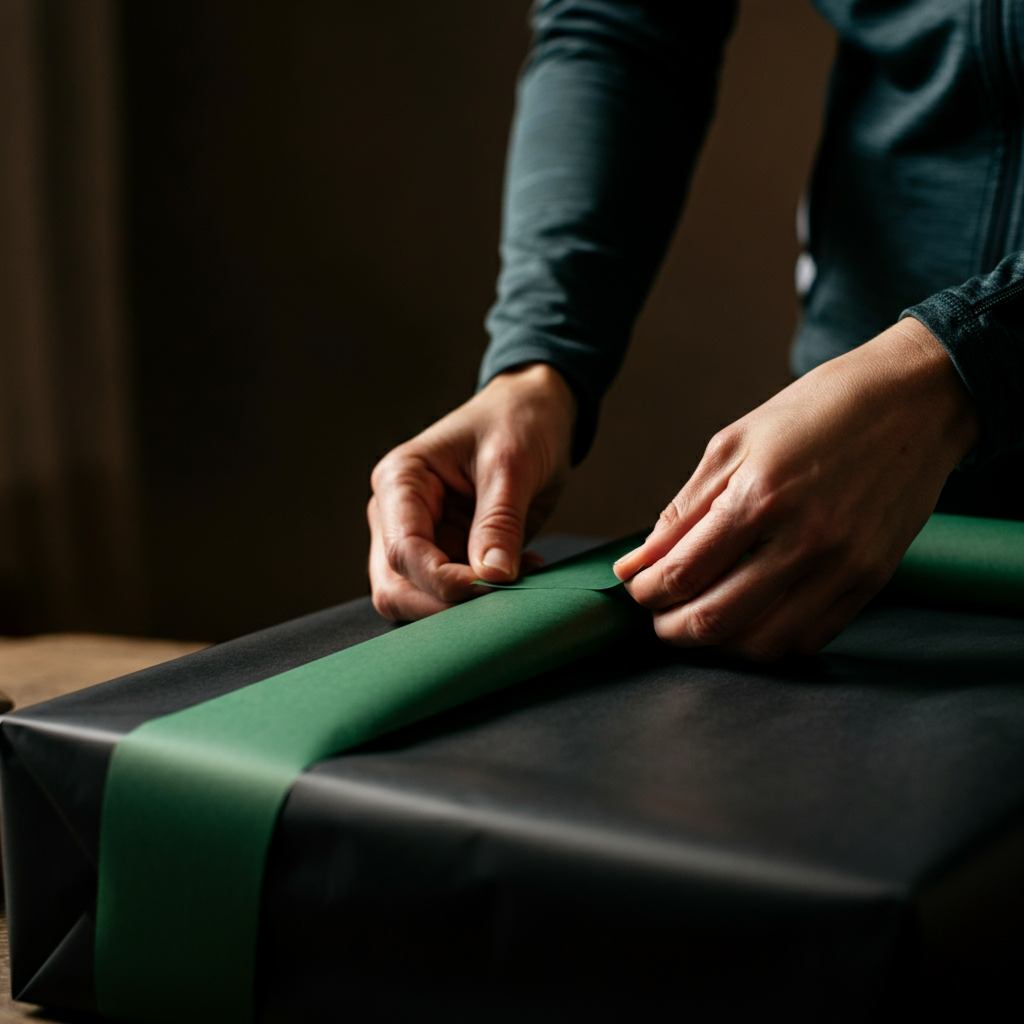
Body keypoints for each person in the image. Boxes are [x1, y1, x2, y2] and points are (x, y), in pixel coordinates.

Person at [368, 0, 1023, 661]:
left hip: (888, 409)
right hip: (838, 485)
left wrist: (962, 362)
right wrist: (536, 358)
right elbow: (617, 22)